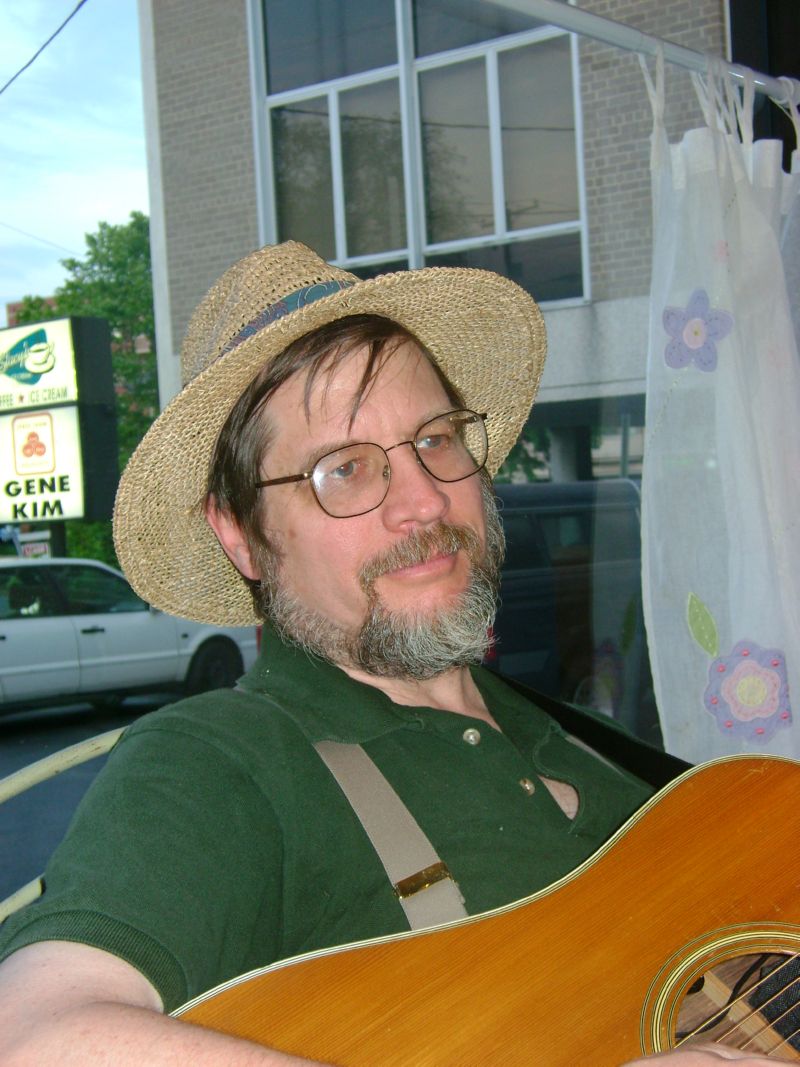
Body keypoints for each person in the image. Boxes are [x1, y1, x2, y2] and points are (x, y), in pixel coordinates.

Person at [0, 242, 783, 1065]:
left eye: (436, 439)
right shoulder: (224, 760)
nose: (424, 501)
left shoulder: (597, 746)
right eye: (344, 469)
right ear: (242, 537)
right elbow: (31, 1034)